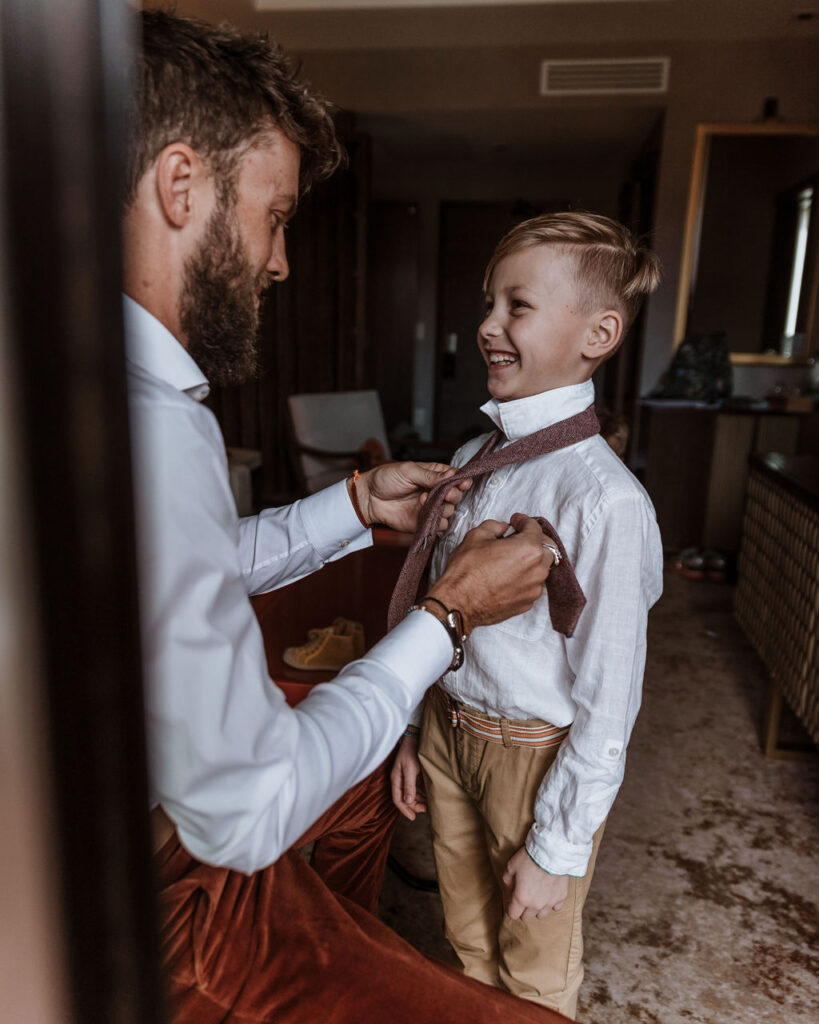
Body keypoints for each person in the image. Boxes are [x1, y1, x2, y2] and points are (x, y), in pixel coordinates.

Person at [124, 10, 567, 1024]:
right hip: (153, 900)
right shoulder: (147, 422)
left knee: (358, 784)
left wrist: (355, 504)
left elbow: (182, 569)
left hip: (172, 802)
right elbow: (245, 812)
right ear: (180, 185)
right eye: (274, 216)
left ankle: (337, 940)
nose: (280, 262)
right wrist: (447, 617)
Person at [391, 212, 664, 1019]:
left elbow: (609, 693)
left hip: (532, 762)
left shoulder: (605, 502)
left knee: (534, 963)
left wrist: (555, 844)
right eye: (487, 302)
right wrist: (415, 730)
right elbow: (440, 603)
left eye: (517, 305)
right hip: (451, 730)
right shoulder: (477, 460)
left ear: (598, 333)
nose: (486, 325)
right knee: (467, 940)